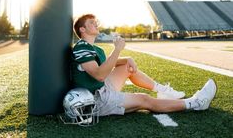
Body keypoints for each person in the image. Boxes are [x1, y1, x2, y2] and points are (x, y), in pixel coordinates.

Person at [71, 14, 217, 116]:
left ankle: (162, 90)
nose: (95, 23)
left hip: (101, 88)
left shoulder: (96, 49)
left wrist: (126, 58)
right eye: (91, 22)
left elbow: (106, 66)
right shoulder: (81, 46)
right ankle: (195, 103)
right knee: (144, 99)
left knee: (126, 67)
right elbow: (100, 74)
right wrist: (117, 49)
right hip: (95, 99)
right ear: (82, 29)